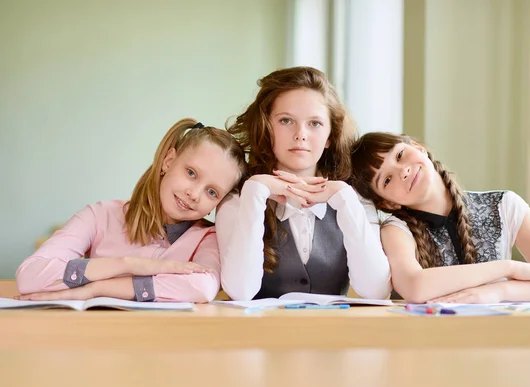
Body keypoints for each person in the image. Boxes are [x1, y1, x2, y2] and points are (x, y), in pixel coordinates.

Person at [16, 118, 246, 303]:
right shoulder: (99, 215)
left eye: (212, 192)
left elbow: (202, 287)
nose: (194, 194)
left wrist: (97, 289)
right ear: (168, 161)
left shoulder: (208, 238)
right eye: (191, 173)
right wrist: (129, 264)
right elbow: (29, 275)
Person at [215, 66, 391, 301]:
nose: (300, 134)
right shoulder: (238, 200)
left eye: (315, 123)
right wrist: (255, 193)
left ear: (330, 136)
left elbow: (376, 291)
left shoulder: (354, 199)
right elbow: (240, 292)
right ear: (267, 128)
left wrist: (345, 199)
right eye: (286, 120)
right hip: (257, 337)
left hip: (337, 336)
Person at [350, 132, 530, 303]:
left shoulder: (504, 205)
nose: (403, 171)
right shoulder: (395, 230)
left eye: (400, 155)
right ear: (387, 203)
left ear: (418, 147)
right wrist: (508, 268)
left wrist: (497, 292)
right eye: (387, 180)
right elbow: (414, 286)